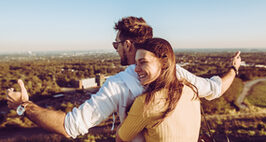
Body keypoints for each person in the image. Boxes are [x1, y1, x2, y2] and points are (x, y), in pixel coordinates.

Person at [6, 16, 241, 141]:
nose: (116, 49)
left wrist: (23, 106)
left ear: (127, 44)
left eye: (116, 44)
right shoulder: (177, 71)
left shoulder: (118, 84)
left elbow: (70, 126)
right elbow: (216, 87)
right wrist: (234, 69)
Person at [116, 38, 201, 142]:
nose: (136, 69)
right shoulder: (191, 91)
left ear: (164, 62)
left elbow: (121, 138)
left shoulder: (146, 103)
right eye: (136, 63)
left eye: (143, 62)